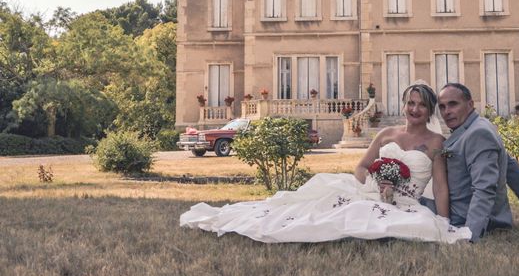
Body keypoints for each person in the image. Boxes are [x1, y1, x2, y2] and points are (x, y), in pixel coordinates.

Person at [180, 82, 471, 244]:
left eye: (421, 104)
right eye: (410, 103)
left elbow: (441, 188)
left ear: (430, 109)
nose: (415, 109)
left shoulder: (436, 143)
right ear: (404, 106)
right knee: (315, 209)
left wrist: (444, 221)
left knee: (405, 224)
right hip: (369, 191)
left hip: (406, 202)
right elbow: (360, 166)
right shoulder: (386, 134)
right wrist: (374, 184)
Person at [423, 82, 519, 242]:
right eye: (442, 107)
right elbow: (512, 168)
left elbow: (484, 189)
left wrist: (468, 236)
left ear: (470, 104)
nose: (447, 112)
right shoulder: (479, 125)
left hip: (463, 218)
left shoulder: (478, 133)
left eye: (453, 104)